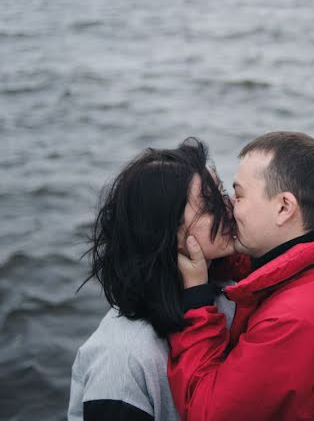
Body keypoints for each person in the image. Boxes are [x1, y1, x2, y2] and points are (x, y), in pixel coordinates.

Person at [169, 131, 314, 420]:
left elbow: (207, 412)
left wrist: (197, 299)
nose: (228, 206)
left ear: (284, 208)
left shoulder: (292, 323)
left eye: (238, 195)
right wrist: (221, 257)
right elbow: (280, 266)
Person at [68, 138, 244, 421]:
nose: (230, 208)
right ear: (164, 229)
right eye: (210, 204)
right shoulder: (123, 359)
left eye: (223, 192)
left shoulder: (228, 292)